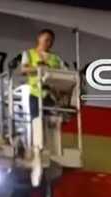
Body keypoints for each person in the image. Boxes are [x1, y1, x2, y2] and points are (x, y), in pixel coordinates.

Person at [17, 29, 63, 158]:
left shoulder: (56, 58)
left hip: (50, 94)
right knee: (35, 119)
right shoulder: (29, 53)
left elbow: (63, 73)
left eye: (51, 41)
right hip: (35, 92)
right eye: (46, 39)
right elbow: (23, 69)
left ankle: (49, 148)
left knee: (51, 122)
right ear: (39, 38)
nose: (49, 42)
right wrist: (39, 69)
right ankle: (35, 147)